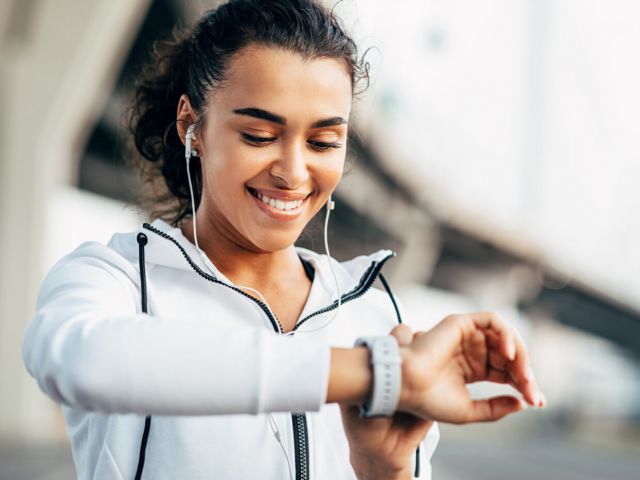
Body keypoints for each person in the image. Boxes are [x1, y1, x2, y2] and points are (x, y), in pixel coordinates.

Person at [22, 1, 546, 479]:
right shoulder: (114, 277)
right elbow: (85, 363)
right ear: (192, 126)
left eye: (323, 141)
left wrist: (383, 467)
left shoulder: (374, 306)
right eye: (259, 136)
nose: (294, 173)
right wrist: (373, 374)